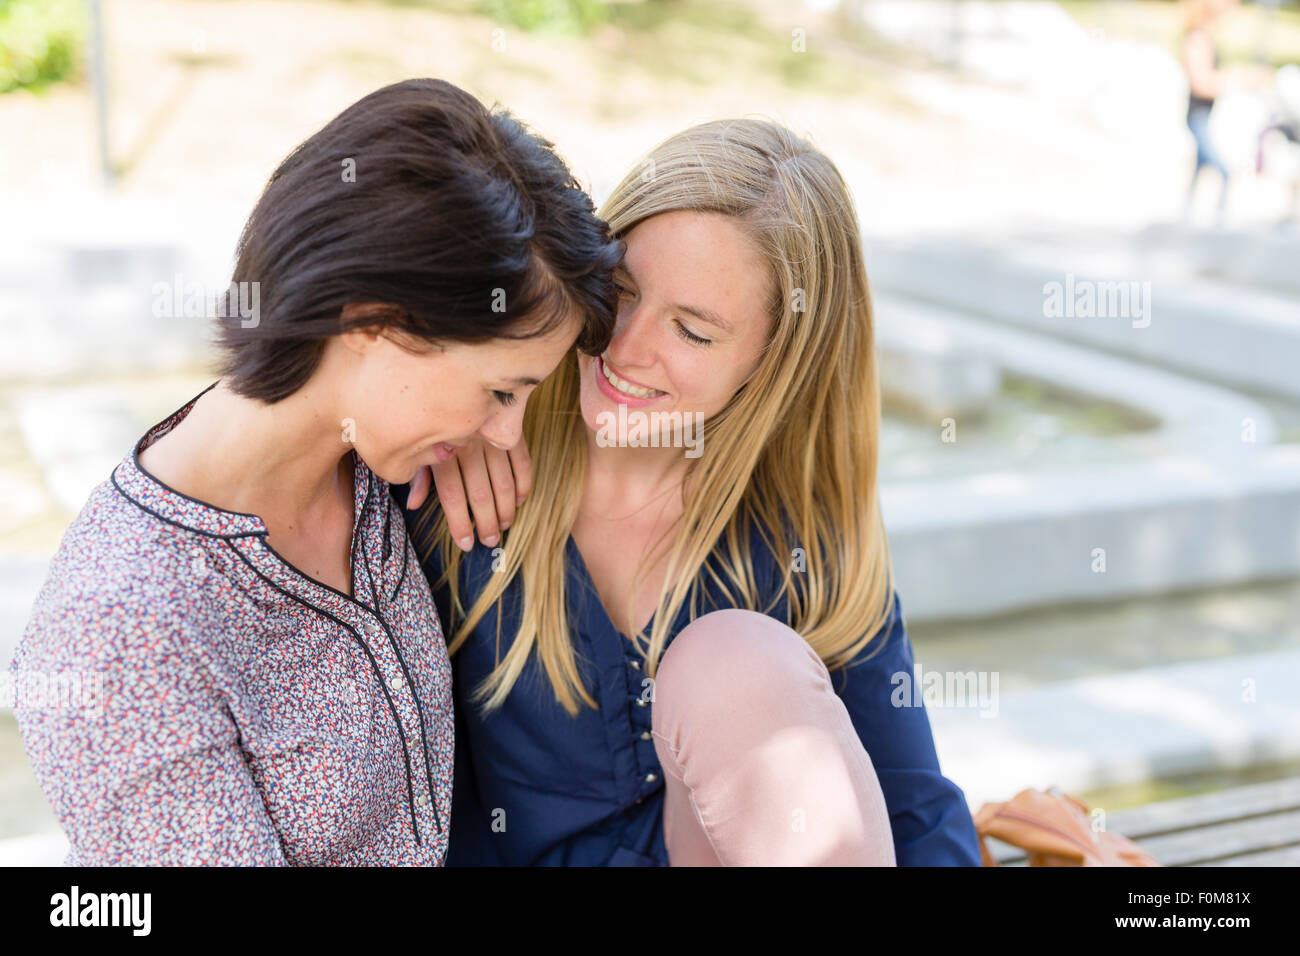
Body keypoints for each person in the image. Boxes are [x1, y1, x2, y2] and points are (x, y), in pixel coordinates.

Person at [9, 78, 621, 865]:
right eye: (501, 392)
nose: (507, 433)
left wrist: (455, 417)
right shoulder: (119, 637)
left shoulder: (380, 463)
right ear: (373, 322)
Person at [404, 118, 982, 866]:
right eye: (621, 290)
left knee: (738, 663)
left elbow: (914, 807)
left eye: (693, 331)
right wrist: (450, 413)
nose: (627, 344)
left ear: (775, 360)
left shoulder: (802, 540)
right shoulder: (460, 475)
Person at [1181, 0, 1240, 224]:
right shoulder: (1196, 38)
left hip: (1205, 114)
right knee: (1223, 171)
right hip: (1197, 115)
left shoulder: (1205, 36)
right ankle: (1219, 219)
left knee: (1199, 168)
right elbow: (1201, 83)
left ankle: (1186, 214)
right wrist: (1234, 82)